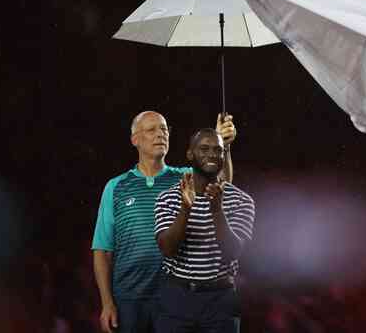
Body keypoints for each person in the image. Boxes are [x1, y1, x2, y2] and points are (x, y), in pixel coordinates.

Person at [92, 111, 235, 333]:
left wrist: (222, 145)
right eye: (152, 130)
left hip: (177, 298)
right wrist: (107, 303)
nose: (160, 134)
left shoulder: (186, 177)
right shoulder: (116, 187)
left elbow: (222, 182)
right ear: (135, 140)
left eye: (164, 129)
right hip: (129, 300)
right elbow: (102, 250)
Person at [154, 128, 255, 332]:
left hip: (220, 299)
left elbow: (232, 253)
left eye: (218, 150)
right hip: (177, 297)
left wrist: (217, 209)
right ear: (190, 154)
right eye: (204, 149)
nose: (212, 155)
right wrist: (185, 208)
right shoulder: (167, 198)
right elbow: (168, 249)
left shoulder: (242, 200)